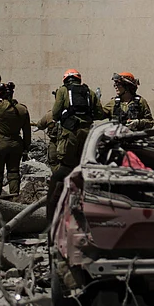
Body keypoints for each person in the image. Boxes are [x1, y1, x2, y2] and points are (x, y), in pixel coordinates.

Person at [48, 69, 105, 220]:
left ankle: (57, 209)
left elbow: (55, 113)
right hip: (87, 135)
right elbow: (99, 114)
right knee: (83, 167)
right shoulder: (90, 92)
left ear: (65, 80)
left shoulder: (63, 91)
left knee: (65, 168)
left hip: (70, 134)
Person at [0, 81, 31, 197]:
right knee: (14, 172)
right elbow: (27, 132)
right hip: (16, 143)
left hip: (0, 142)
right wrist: (26, 148)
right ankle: (14, 195)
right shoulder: (22, 109)